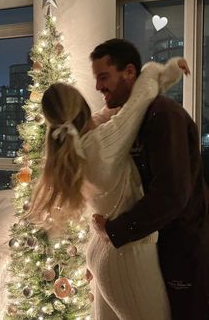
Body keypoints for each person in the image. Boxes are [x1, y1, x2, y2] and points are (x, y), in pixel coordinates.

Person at [28, 54, 188, 320]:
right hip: (127, 258)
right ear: (81, 106)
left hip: (106, 252)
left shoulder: (78, 147)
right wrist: (161, 69)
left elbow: (108, 117)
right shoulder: (101, 144)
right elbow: (137, 104)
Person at [90, 38, 209, 320]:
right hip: (156, 244)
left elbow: (171, 195)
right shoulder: (132, 117)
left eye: (104, 77)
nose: (98, 87)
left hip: (182, 247)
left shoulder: (164, 117)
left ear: (129, 72)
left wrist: (114, 230)